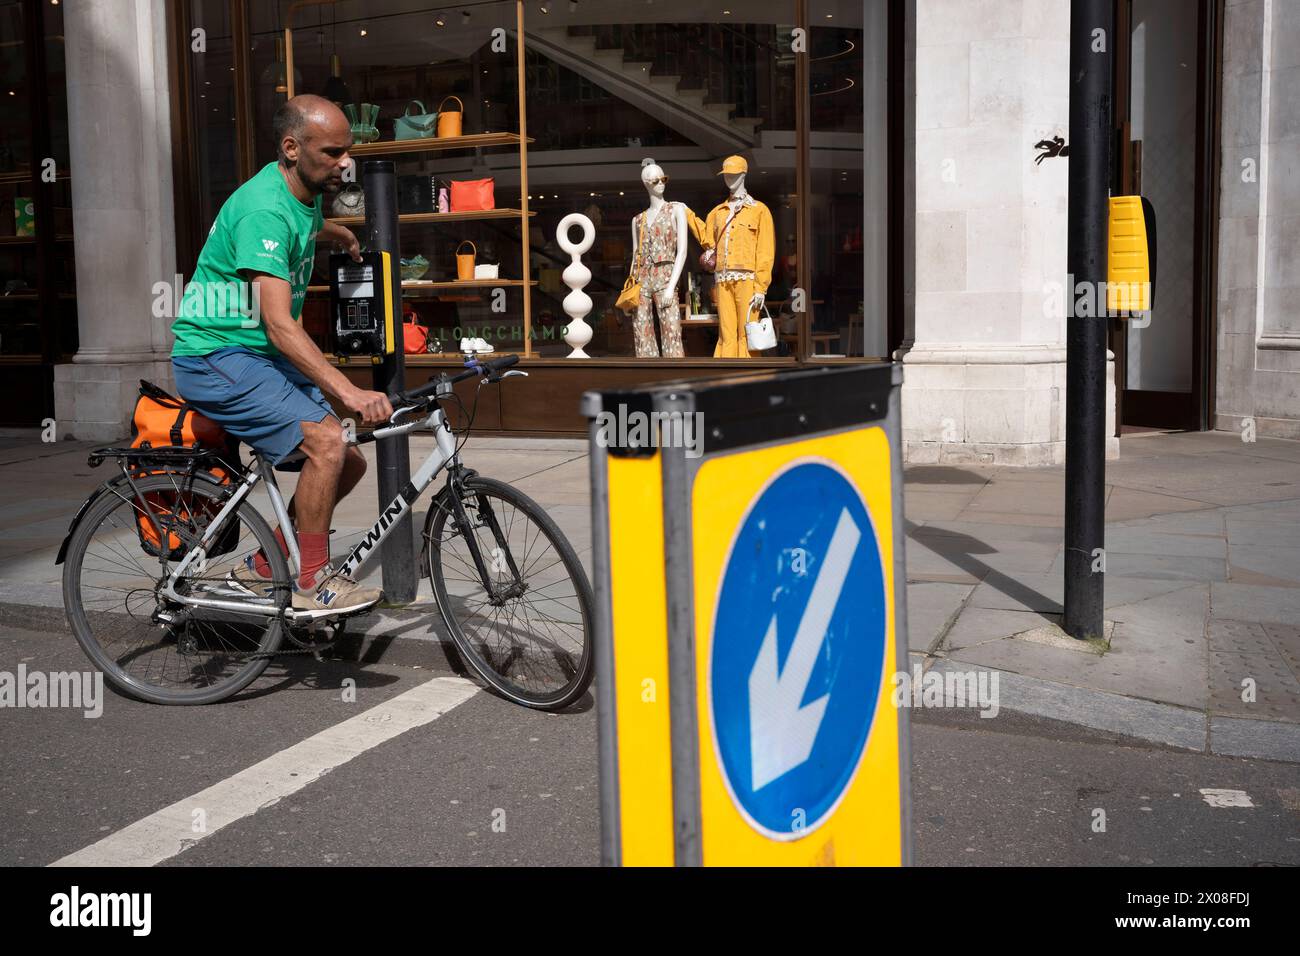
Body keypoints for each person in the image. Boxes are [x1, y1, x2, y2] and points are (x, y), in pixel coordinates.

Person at [170, 94, 394, 614]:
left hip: (255, 357)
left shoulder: (301, 191)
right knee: (326, 442)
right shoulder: (262, 209)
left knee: (350, 462)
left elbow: (299, 221)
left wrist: (331, 230)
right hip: (214, 356)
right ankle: (311, 580)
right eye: (334, 152)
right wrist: (349, 391)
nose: (346, 162)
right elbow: (277, 322)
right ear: (292, 148)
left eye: (349, 151)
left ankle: (266, 567)